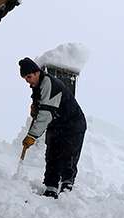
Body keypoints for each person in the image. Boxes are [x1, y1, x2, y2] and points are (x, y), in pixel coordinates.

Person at [18, 57, 88, 198]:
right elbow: (41, 111)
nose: (28, 81)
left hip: (72, 124)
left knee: (68, 154)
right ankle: (51, 187)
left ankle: (66, 188)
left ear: (37, 72)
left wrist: (32, 136)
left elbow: (46, 114)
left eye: (29, 77)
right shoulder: (38, 88)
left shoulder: (49, 83)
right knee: (52, 154)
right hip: (56, 125)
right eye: (26, 79)